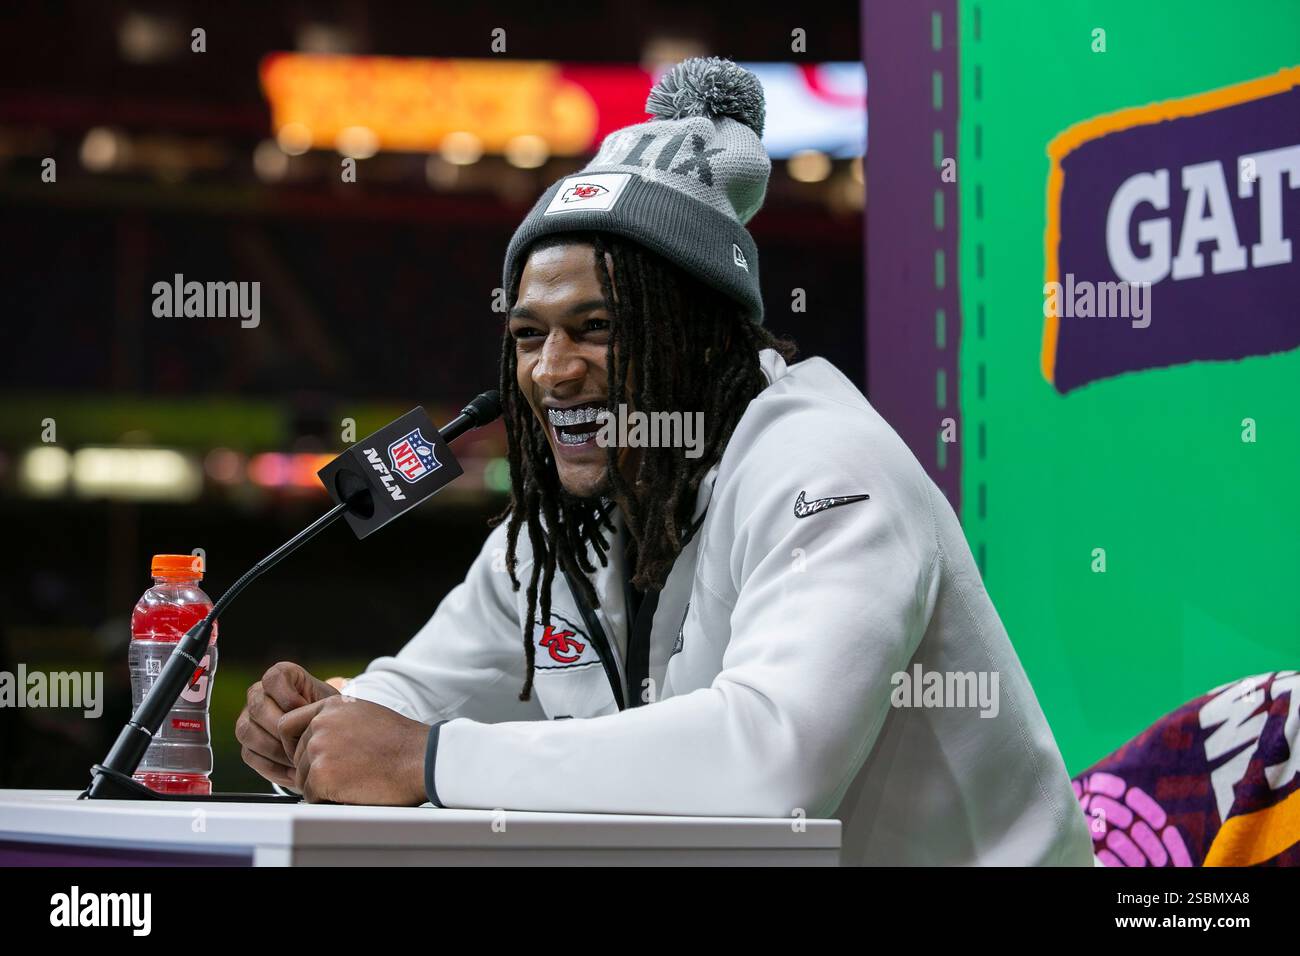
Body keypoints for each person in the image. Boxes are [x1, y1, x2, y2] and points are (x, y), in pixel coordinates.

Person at [236, 56, 1094, 865]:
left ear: (699, 334)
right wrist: (324, 720)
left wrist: (426, 762)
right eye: (529, 335)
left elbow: (773, 767)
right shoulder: (558, 531)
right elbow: (418, 697)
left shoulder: (828, 467)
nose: (552, 371)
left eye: (599, 327)